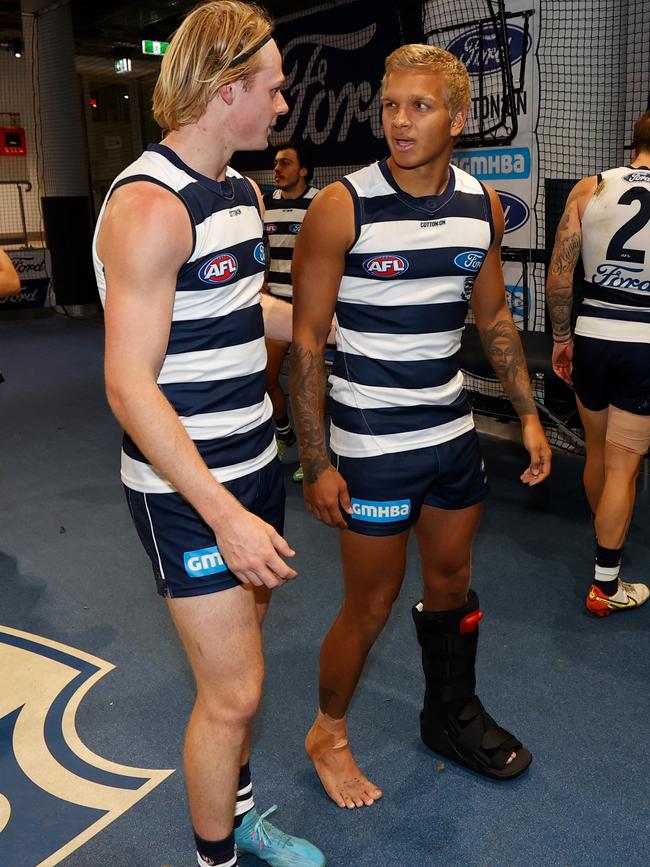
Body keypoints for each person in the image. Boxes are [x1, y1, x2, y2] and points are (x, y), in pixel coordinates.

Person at [289, 43, 552, 810]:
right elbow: (306, 341)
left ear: (459, 118)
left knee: (452, 582)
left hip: (451, 433)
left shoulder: (482, 205)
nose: (399, 122)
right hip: (373, 445)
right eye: (391, 104)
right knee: (369, 603)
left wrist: (529, 417)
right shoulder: (344, 206)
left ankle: (449, 713)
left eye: (420, 106)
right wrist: (316, 460)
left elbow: (495, 315)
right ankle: (327, 732)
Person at [92, 3, 325, 866]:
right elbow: (126, 383)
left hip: (256, 463)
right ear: (229, 91)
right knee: (233, 694)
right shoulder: (150, 208)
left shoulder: (239, 190)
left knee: (243, 675)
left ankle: (241, 812)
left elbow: (236, 313)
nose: (281, 108)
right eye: (272, 90)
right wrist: (223, 513)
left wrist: (324, 325)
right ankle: (214, 855)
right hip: (191, 495)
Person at [546, 110, 650, 617]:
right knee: (624, 468)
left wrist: (562, 338)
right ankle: (606, 582)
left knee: (597, 455)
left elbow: (560, 278)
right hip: (644, 344)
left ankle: (604, 537)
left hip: (592, 337)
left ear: (635, 144)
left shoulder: (590, 187)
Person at [263, 140, 319, 481]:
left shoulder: (320, 203)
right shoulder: (266, 204)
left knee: (304, 386)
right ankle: (284, 433)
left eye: (286, 163)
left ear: (303, 170)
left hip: (308, 309)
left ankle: (313, 457)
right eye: (276, 163)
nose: (278, 169)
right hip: (275, 308)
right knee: (266, 381)